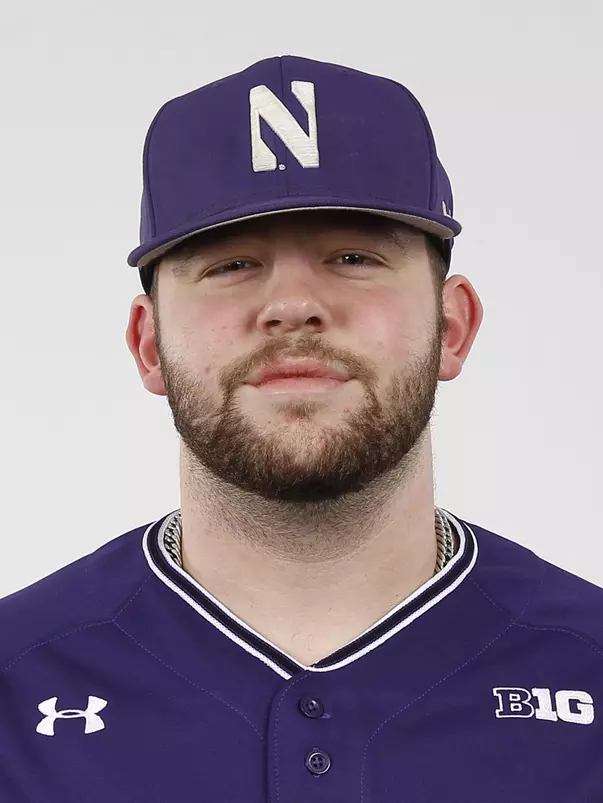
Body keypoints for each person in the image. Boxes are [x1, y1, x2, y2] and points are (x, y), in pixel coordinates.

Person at [1, 55, 602, 802]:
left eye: (352, 256)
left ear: (451, 326)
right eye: (231, 264)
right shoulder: (15, 680)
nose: (291, 305)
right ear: (148, 343)